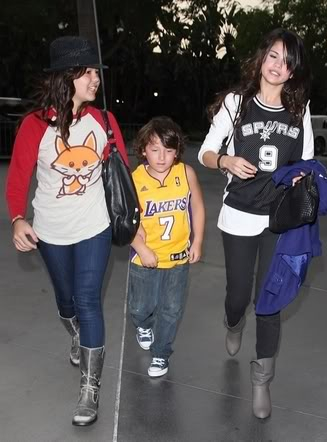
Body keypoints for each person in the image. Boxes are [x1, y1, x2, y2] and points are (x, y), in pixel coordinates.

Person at [6, 35, 129, 426]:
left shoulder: (103, 121)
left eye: (96, 72)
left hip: (94, 224)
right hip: (50, 230)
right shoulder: (33, 126)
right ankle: (73, 327)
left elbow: (123, 173)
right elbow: (18, 179)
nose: (96, 79)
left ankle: (89, 389)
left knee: (89, 299)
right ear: (68, 76)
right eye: (89, 72)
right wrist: (17, 219)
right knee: (67, 300)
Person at [198, 28, 314, 419]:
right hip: (239, 215)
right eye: (274, 57)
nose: (279, 66)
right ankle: (233, 323)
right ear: (262, 58)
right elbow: (206, 153)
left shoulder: (300, 111)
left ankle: (262, 380)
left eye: (288, 62)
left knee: (269, 301)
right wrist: (226, 161)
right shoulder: (236, 103)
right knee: (238, 295)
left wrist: (300, 177)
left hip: (278, 220)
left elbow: (306, 162)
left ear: (293, 71)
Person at [128, 116, 205, 377]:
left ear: (177, 152)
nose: (162, 157)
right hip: (145, 259)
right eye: (155, 149)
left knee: (171, 310)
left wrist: (197, 240)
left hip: (177, 258)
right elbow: (125, 221)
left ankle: (161, 354)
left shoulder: (185, 173)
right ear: (142, 150)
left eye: (169, 150)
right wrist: (140, 247)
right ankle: (143, 325)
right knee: (141, 307)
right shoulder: (135, 180)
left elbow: (197, 206)